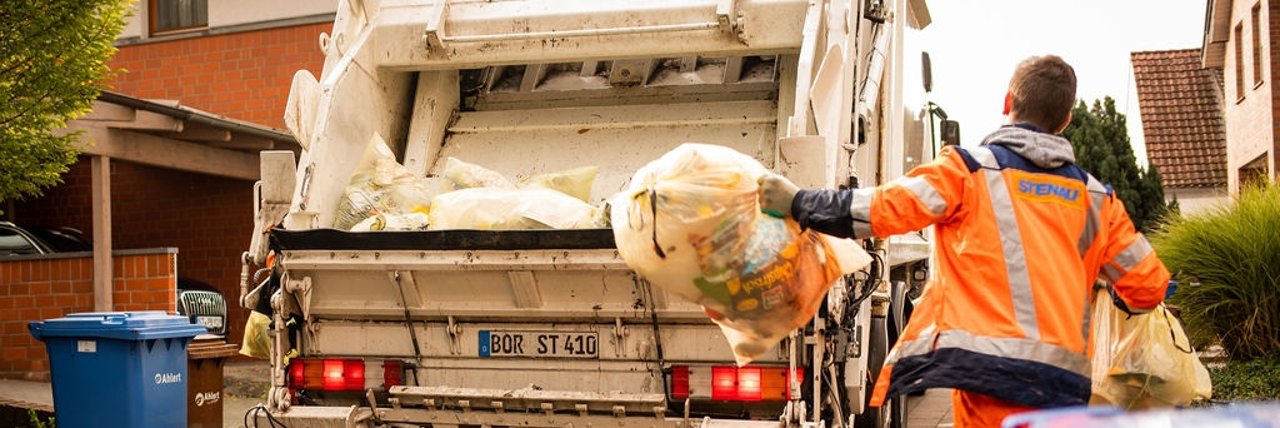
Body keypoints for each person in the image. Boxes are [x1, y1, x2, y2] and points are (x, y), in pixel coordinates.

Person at [759, 55, 1170, 427]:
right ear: (1065, 120)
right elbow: (1148, 288)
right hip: (1062, 386)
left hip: (986, 379)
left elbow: (879, 209)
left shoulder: (966, 172)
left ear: (1007, 101)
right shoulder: (1097, 199)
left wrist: (798, 202)